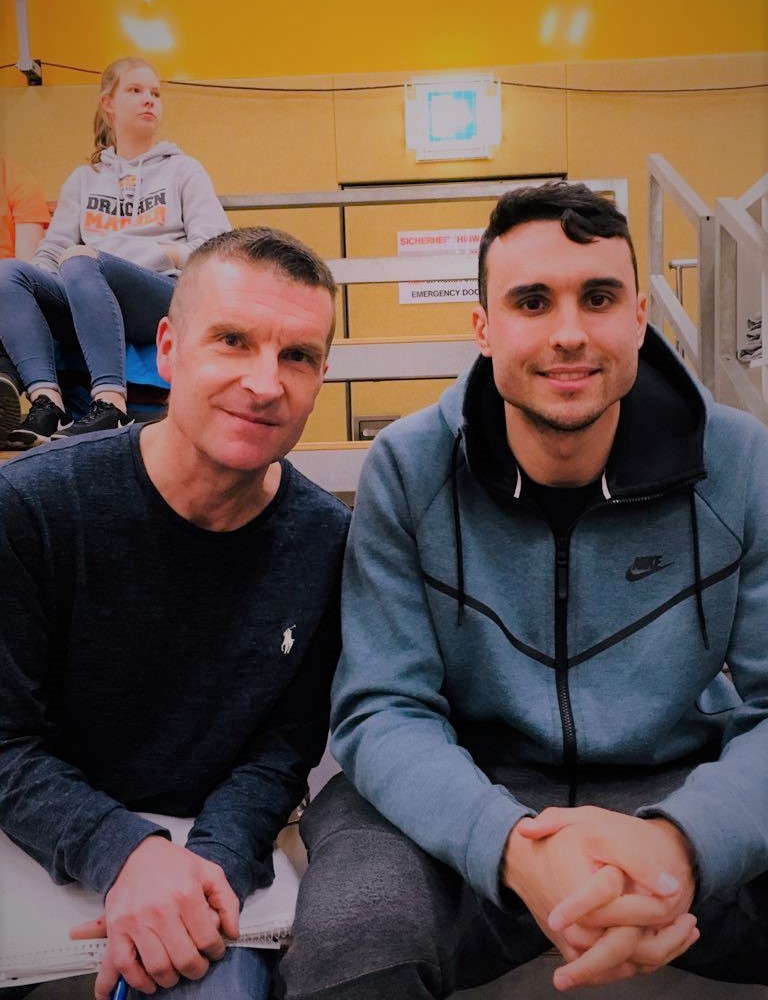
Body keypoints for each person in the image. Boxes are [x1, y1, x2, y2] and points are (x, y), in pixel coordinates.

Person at [279, 182, 768, 999]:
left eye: (598, 298)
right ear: (483, 327)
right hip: (465, 792)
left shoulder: (741, 461)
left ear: (639, 317)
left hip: (683, 782)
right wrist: (513, 846)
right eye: (532, 301)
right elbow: (382, 708)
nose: (568, 333)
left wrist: (683, 841)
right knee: (355, 940)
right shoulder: (408, 467)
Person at [0, 226, 350, 1000]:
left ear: (322, 375)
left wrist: (208, 871)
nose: (265, 383)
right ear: (167, 349)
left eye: (297, 355)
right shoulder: (30, 507)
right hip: (29, 838)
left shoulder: (327, 541)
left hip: (205, 861)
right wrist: (125, 853)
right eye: (232, 340)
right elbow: (4, 740)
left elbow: (281, 750)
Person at [0, 55, 230, 450]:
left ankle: (110, 402)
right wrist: (41, 292)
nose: (149, 100)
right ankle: (46, 401)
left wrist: (160, 254)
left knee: (80, 260)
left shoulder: (183, 170)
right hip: (87, 291)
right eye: (136, 90)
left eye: (155, 93)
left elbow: (216, 248)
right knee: (9, 273)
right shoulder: (83, 179)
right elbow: (51, 249)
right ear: (108, 103)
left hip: (162, 294)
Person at [0, 155, 50, 446]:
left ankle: (4, 380)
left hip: (5, 299)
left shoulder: (16, 181)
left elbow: (25, 270)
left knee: (9, 295)